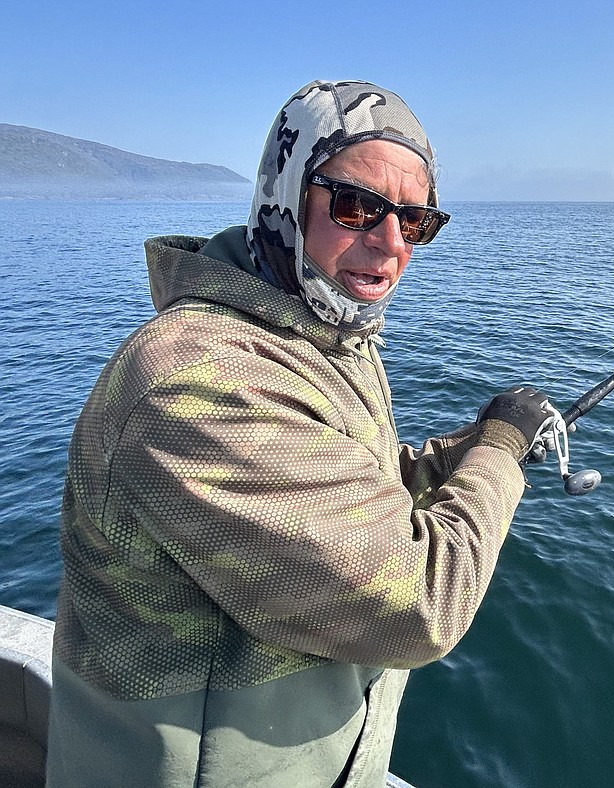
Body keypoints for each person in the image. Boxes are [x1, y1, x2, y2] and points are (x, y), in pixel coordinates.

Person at [46, 79, 555, 787]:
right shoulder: (199, 380)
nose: (388, 244)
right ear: (285, 196)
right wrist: (500, 452)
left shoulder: (313, 337)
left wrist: (454, 456)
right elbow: (419, 603)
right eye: (357, 206)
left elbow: (339, 483)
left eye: (414, 221)